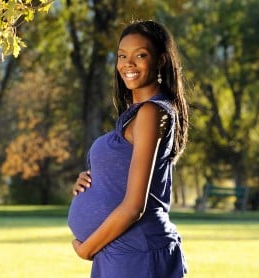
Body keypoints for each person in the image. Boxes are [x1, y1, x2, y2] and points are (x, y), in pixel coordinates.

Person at [67, 20, 189, 278]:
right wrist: (92, 182)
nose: (127, 64)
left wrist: (86, 249)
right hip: (118, 251)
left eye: (140, 55)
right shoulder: (134, 115)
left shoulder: (151, 112)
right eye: (122, 56)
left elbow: (135, 206)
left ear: (161, 60)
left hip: (136, 253)